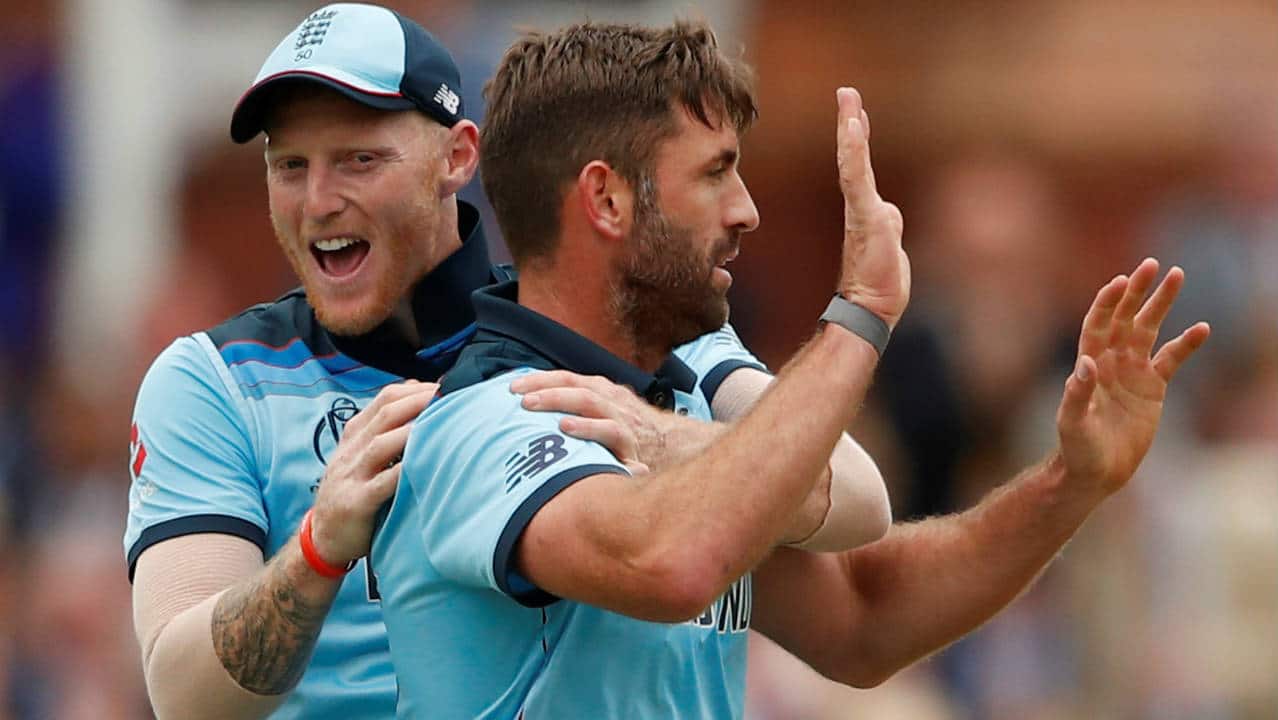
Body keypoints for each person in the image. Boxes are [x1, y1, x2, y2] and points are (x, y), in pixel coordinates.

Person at [370, 20, 1210, 718]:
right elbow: (668, 560)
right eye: (715, 174)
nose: (747, 209)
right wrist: (860, 313)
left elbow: (864, 617)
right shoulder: (485, 419)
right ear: (607, 200)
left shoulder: (685, 384)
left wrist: (1070, 481)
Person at [123, 5, 888, 719]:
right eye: (290, 166)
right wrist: (317, 551)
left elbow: (858, 502)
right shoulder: (213, 380)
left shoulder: (619, 327)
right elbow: (184, 696)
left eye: (358, 159)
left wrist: (664, 440)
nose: (318, 200)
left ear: (457, 157)